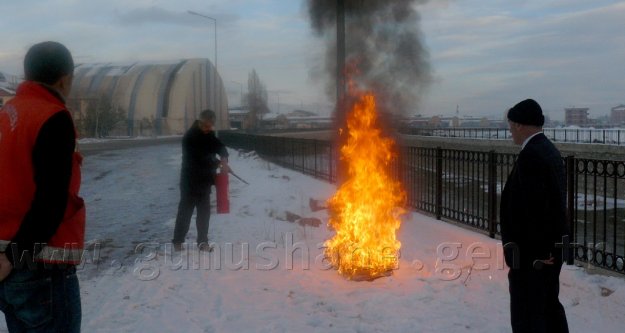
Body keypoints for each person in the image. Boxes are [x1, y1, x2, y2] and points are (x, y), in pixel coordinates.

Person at [0, 41, 85, 332]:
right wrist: (14, 257)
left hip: (9, 266)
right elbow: (51, 200)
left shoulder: (7, 115)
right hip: (41, 266)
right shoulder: (51, 116)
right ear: (65, 79)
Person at [500, 98, 570, 332]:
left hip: (533, 256)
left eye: (511, 127)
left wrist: (537, 254)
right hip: (548, 252)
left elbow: (535, 210)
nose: (510, 132)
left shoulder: (531, 155)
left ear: (520, 125)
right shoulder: (547, 149)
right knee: (548, 307)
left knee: (528, 313)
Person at [172, 109, 229, 252]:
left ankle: (203, 242)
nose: (208, 129)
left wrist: (224, 157)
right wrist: (218, 163)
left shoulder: (209, 134)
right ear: (200, 122)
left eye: (210, 126)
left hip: (204, 183)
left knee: (204, 215)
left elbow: (219, 145)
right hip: (189, 182)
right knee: (185, 213)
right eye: (206, 125)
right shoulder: (189, 137)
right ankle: (178, 241)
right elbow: (199, 158)